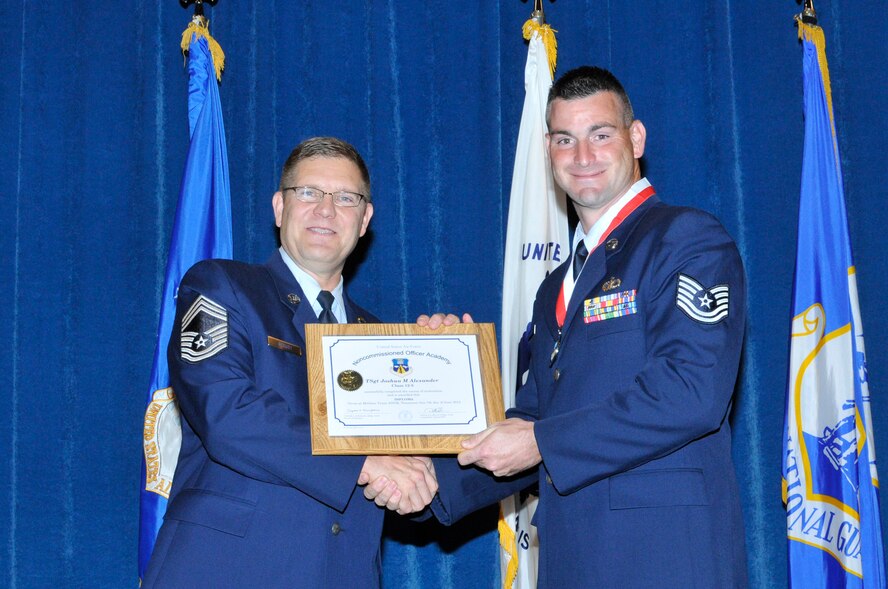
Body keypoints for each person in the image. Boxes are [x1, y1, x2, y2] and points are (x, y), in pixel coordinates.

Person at [382, 66, 749, 587]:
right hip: (572, 558)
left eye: (600, 135)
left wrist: (541, 441)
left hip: (664, 556)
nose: (582, 157)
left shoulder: (685, 240)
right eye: (564, 140)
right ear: (548, 151)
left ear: (636, 137)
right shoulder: (556, 285)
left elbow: (690, 392)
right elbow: (536, 416)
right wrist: (426, 481)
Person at [143, 137, 437, 588]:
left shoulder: (381, 341)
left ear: (365, 220)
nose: (325, 209)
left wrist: (445, 362)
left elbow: (406, 469)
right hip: (225, 570)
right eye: (308, 193)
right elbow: (227, 413)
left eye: (345, 198)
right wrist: (363, 464)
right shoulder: (221, 287)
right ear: (279, 208)